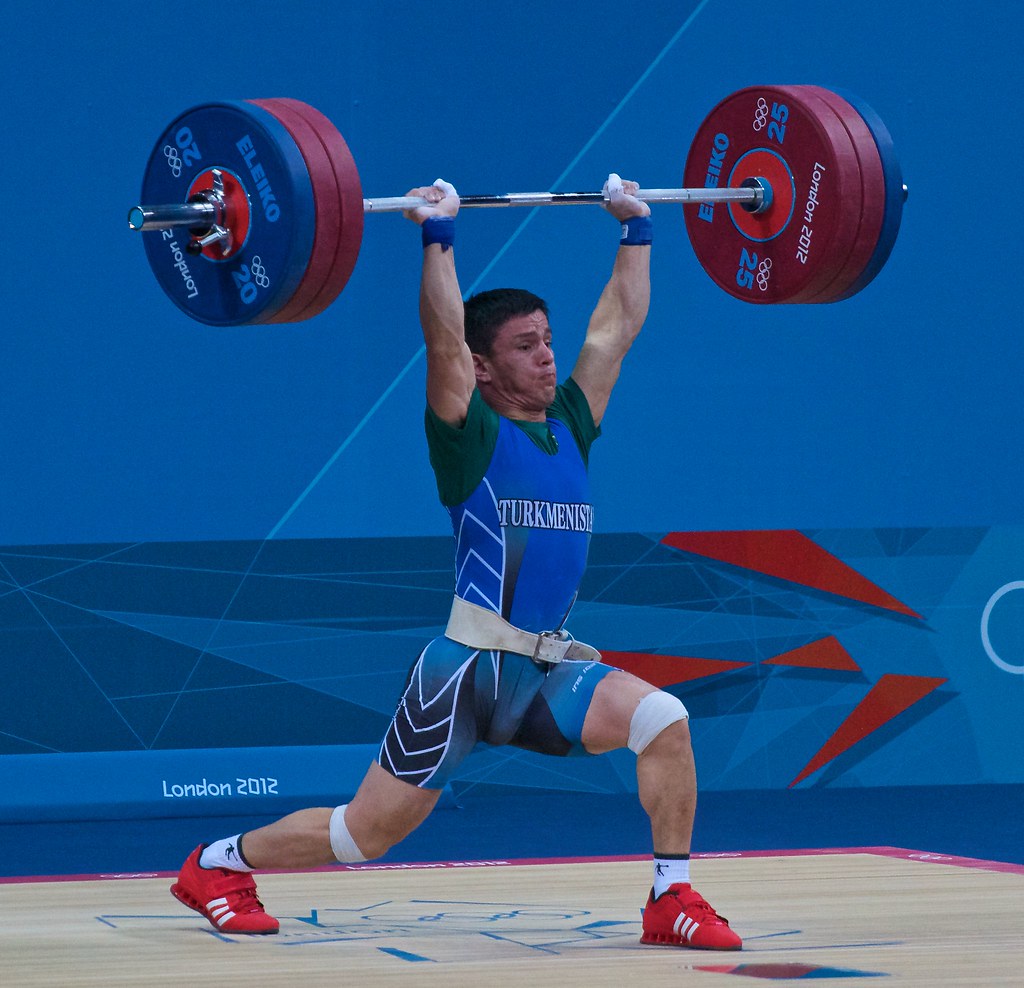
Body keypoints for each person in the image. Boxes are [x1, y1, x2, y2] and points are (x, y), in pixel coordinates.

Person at [169, 174, 742, 951]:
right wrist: (437, 238)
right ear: (482, 368)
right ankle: (216, 864)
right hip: (464, 674)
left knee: (664, 721)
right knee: (361, 837)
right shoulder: (464, 437)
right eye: (525, 347)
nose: (547, 358)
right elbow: (442, 338)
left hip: (547, 674)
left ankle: (669, 899)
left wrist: (636, 229)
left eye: (546, 339)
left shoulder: (569, 422)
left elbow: (614, 330)